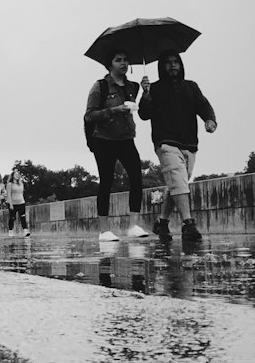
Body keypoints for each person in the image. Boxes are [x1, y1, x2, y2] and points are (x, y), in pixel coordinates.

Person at [138, 50, 217, 243]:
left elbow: (204, 105)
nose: (173, 65)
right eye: (168, 63)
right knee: (179, 182)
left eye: (176, 62)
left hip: (189, 143)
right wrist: (146, 94)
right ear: (161, 67)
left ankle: (162, 222)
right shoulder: (154, 89)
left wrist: (210, 120)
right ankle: (188, 224)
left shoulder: (191, 87)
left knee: (176, 184)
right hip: (165, 142)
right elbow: (144, 114)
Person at [84, 50, 150, 240]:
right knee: (106, 181)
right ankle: (104, 230)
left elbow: (144, 113)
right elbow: (90, 115)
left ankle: (133, 225)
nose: (124, 63)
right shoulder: (100, 86)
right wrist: (114, 110)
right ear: (110, 64)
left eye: (126, 59)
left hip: (126, 137)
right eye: (118, 60)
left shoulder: (133, 86)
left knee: (137, 177)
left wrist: (146, 94)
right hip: (103, 139)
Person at [6, 169, 31, 236]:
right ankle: (10, 231)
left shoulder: (21, 184)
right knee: (12, 217)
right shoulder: (10, 184)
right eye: (15, 174)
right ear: (12, 176)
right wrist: (10, 204)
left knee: (22, 217)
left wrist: (23, 201)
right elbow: (8, 194)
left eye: (18, 175)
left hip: (21, 202)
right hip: (13, 203)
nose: (17, 176)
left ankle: (25, 230)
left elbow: (21, 193)